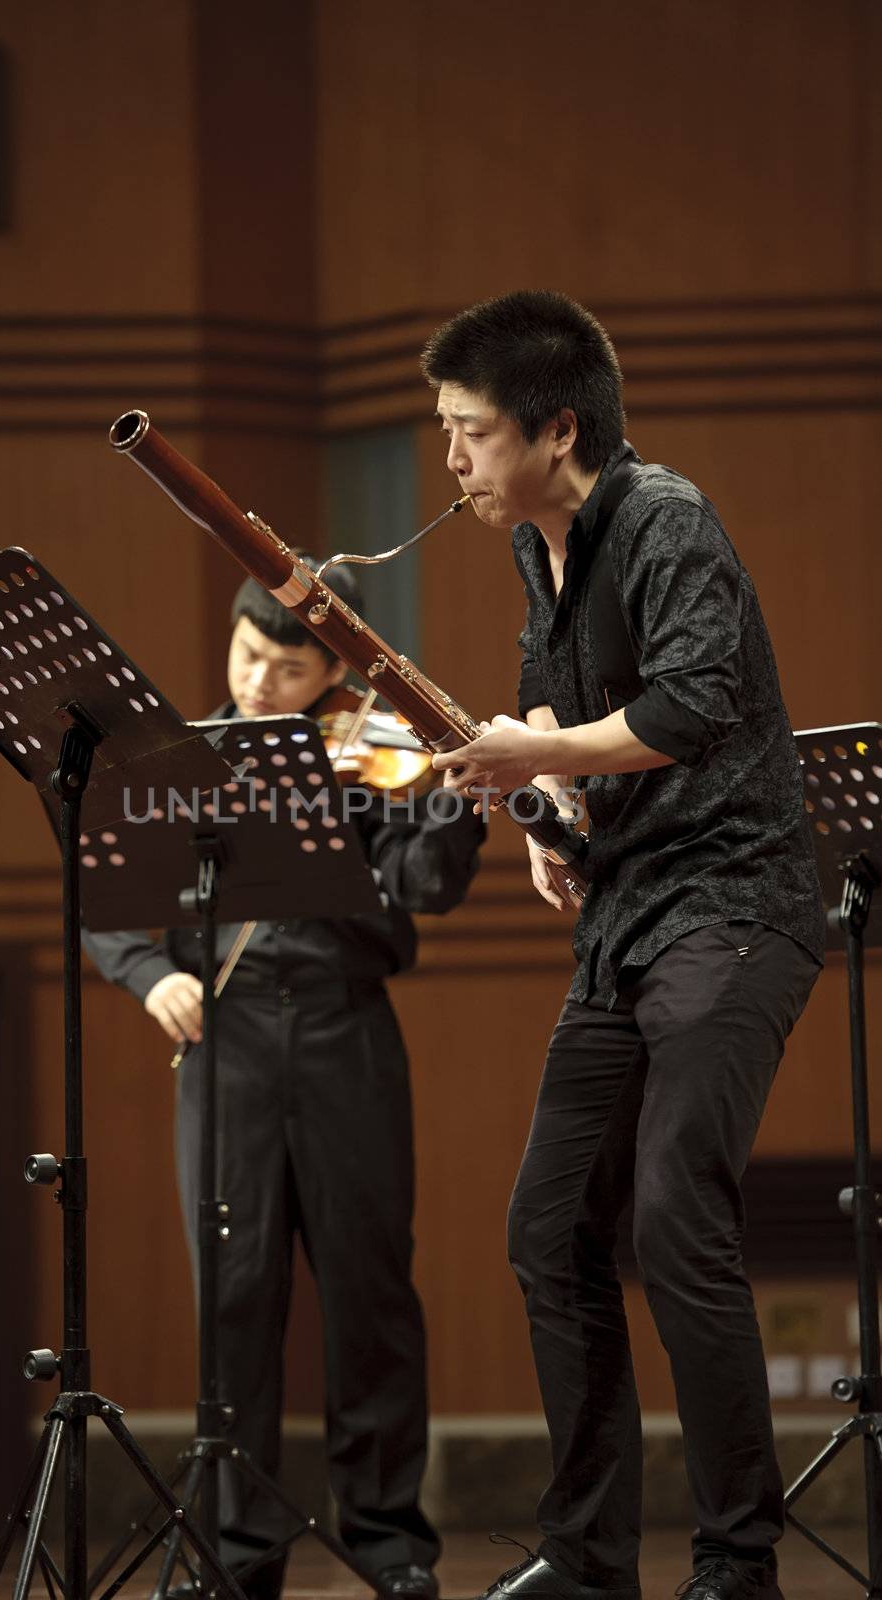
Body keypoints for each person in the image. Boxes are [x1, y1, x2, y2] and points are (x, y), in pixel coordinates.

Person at [421, 291, 824, 1600]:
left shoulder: (664, 518)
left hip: (736, 902)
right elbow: (577, 729)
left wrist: (533, 749)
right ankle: (590, 1562)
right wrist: (550, 817)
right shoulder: (536, 556)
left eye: (470, 434)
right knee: (548, 1227)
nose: (453, 463)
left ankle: (734, 1566)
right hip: (630, 919)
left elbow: (692, 706)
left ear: (556, 426)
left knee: (673, 1216)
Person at [85, 558, 486, 1600]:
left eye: (289, 667)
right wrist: (150, 974)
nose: (261, 682)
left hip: (348, 1030)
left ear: (331, 673)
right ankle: (238, 1551)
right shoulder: (184, 758)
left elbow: (428, 890)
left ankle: (391, 1541)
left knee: (372, 1292)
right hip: (229, 1039)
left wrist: (458, 789)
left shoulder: (372, 749)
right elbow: (108, 892)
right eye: (249, 655)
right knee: (235, 1295)